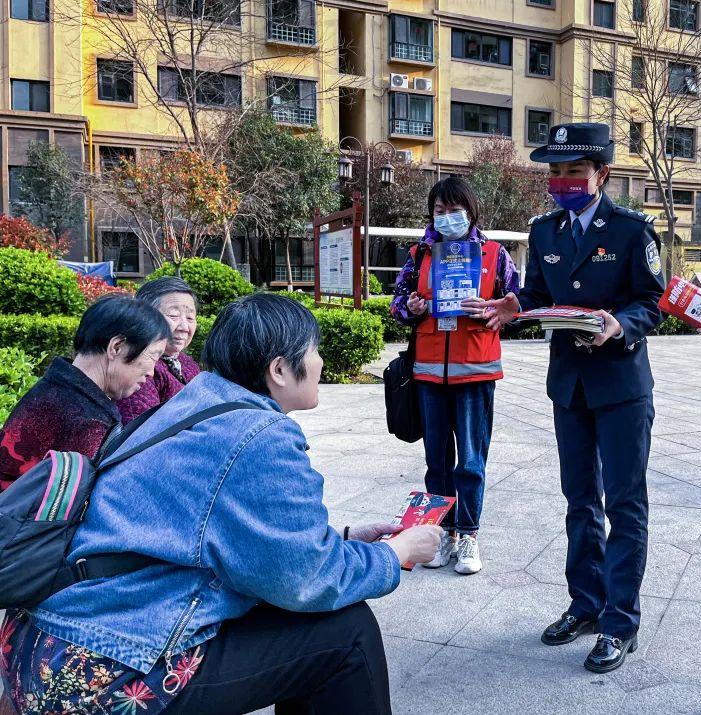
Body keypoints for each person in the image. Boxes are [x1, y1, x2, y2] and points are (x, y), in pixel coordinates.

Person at [0, 294, 442, 714]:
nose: (321, 362)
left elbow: (232, 534)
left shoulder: (198, 401)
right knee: (347, 634)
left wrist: (345, 539)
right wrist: (394, 554)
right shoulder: (260, 437)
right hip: (99, 669)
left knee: (310, 619)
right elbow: (305, 578)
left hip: (43, 640)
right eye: (314, 350)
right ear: (280, 370)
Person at [475, 123, 665, 674]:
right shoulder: (546, 233)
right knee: (579, 500)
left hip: (622, 386)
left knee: (625, 503)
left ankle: (619, 621)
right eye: (554, 172)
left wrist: (618, 324)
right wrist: (514, 306)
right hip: (570, 386)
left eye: (572, 171)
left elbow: (651, 303)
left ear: (600, 173)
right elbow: (538, 295)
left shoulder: (632, 231)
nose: (561, 181)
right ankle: (585, 603)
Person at [390, 177, 520, 576]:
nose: (447, 218)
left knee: (471, 461)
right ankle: (443, 531)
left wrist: (497, 309)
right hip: (429, 372)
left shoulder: (495, 255)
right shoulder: (419, 254)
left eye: (454, 209)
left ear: (471, 210)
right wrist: (410, 307)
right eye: (439, 211)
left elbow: (517, 305)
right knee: (437, 460)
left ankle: (468, 534)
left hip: (476, 370)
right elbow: (397, 302)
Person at [0, 295, 170, 491]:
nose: (152, 372)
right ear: (116, 347)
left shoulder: (57, 389)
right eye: (153, 356)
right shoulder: (87, 419)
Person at [115, 276, 201, 424]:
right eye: (173, 315)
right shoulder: (139, 368)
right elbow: (141, 432)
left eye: (190, 318)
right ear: (146, 317)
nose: (184, 327)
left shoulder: (186, 362)